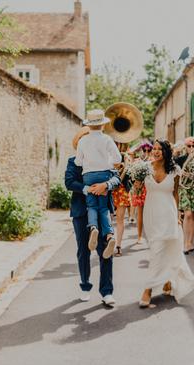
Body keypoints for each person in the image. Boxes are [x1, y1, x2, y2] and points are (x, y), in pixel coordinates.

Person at [65, 127, 121, 306]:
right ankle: (85, 286)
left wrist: (106, 185)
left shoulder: (106, 160)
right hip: (81, 212)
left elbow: (117, 178)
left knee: (106, 251)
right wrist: (87, 189)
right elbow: (69, 182)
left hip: (102, 208)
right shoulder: (73, 161)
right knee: (83, 251)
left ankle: (107, 292)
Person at [138, 140, 194, 308]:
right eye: (154, 149)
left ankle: (147, 291)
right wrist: (135, 184)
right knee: (157, 248)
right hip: (152, 215)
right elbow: (137, 190)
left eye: (159, 149)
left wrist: (178, 214)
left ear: (165, 152)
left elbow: (176, 193)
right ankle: (167, 280)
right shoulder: (145, 168)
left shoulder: (175, 171)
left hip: (169, 214)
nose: (156, 151)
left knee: (168, 249)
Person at [74, 109, 122, 259]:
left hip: (88, 176)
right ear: (102, 125)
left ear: (89, 125)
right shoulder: (107, 139)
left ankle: (93, 227)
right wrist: (107, 163)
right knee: (103, 208)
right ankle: (110, 235)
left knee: (92, 206)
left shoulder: (82, 141)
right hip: (104, 175)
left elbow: (78, 161)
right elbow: (118, 158)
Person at [112, 143, 132, 257]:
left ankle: (118, 246)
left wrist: (127, 167)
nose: (118, 145)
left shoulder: (125, 158)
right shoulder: (108, 156)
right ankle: (108, 242)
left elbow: (126, 179)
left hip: (122, 191)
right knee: (108, 220)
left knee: (120, 220)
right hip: (109, 190)